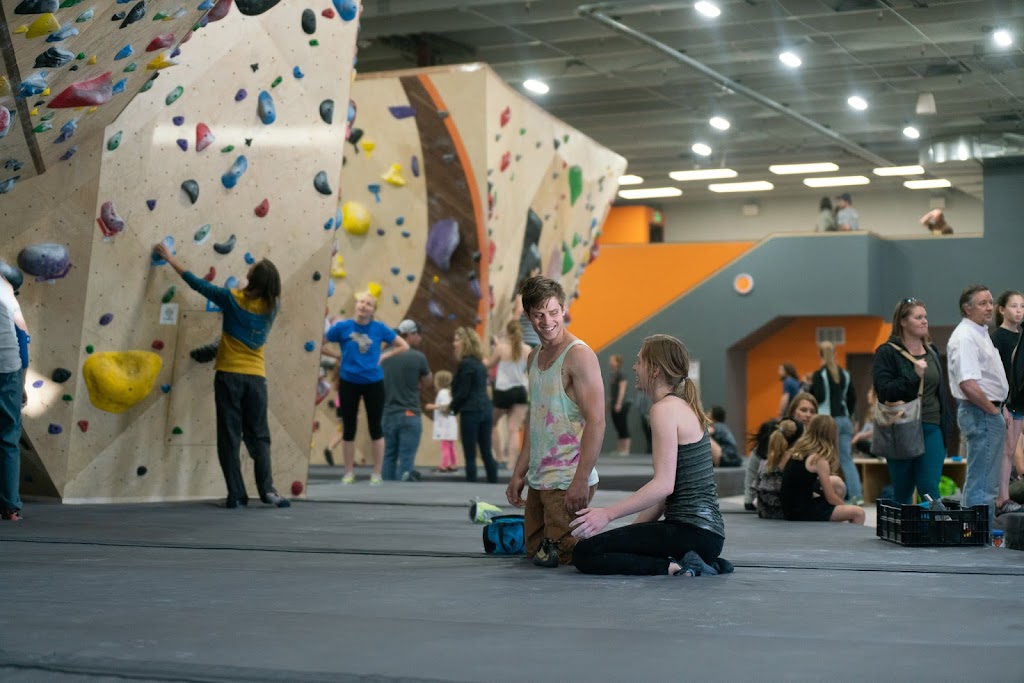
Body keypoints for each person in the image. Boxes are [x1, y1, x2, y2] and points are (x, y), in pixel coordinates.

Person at [571, 335, 732, 577]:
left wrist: (607, 514)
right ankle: (701, 561)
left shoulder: (663, 410)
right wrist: (625, 535)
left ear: (655, 370)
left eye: (639, 362)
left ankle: (675, 567)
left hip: (691, 532)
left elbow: (662, 486)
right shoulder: (681, 407)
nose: (634, 368)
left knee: (584, 553)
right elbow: (662, 498)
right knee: (608, 547)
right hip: (707, 537)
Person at [153, 242, 290, 508]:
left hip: (229, 375)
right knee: (259, 436)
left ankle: (237, 494)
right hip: (256, 378)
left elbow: (197, 284)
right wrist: (245, 286)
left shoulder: (232, 298)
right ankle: (268, 490)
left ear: (251, 280)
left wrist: (169, 258)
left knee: (230, 436)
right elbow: (253, 297)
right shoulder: (273, 307)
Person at [506, 275, 604, 567]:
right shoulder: (533, 358)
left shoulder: (580, 356)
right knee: (534, 554)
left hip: (567, 478)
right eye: (538, 315)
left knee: (565, 559)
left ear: (563, 310)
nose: (547, 321)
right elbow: (537, 425)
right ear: (528, 317)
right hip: (539, 478)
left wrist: (581, 480)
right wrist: (518, 474)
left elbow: (597, 422)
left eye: (552, 312)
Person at [871, 298, 954, 504]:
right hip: (901, 428)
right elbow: (884, 391)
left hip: (932, 426)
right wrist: (914, 375)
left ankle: (933, 534)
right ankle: (905, 533)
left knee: (928, 486)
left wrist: (947, 428)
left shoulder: (932, 351)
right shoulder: (887, 352)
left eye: (925, 317)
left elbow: (940, 393)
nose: (925, 321)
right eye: (918, 317)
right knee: (903, 489)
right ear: (903, 321)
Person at [325, 291, 409, 485]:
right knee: (348, 429)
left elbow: (403, 345)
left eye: (368, 304)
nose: (363, 306)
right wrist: (337, 357)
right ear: (356, 305)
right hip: (349, 381)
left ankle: (377, 473)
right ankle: (348, 472)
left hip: (373, 382)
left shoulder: (379, 328)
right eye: (361, 302)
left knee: (375, 428)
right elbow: (322, 342)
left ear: (372, 311)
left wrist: (384, 356)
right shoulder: (343, 327)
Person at [947, 284, 1009, 526]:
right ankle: (976, 533)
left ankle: (975, 530)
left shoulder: (980, 333)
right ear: (967, 308)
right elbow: (968, 383)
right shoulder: (965, 337)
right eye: (982, 303)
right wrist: (993, 410)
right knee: (983, 479)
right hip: (981, 411)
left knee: (985, 477)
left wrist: (999, 407)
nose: (989, 308)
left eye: (991, 302)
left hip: (988, 410)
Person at [779, 415, 866, 524]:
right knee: (858, 513)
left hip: (789, 508)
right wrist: (846, 509)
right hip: (802, 511)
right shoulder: (819, 459)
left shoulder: (797, 452)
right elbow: (830, 497)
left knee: (838, 485)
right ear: (832, 435)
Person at [743, 391, 818, 511]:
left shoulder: (816, 439)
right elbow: (753, 466)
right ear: (793, 412)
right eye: (803, 410)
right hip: (774, 495)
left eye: (812, 411)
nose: (808, 415)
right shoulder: (776, 434)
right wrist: (748, 499)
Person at [810, 341, 862, 504]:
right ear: (834, 354)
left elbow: (820, 397)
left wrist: (809, 388)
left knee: (824, 458)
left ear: (820, 355)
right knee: (846, 459)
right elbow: (852, 398)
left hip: (828, 421)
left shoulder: (820, 375)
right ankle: (856, 495)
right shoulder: (844, 374)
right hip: (845, 419)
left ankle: (826, 494)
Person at [381, 319, 432, 482]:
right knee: (407, 459)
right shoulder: (418, 357)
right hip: (410, 413)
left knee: (388, 456)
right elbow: (428, 382)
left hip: (387, 414)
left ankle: (385, 497)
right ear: (409, 334)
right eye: (418, 335)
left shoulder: (384, 357)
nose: (420, 339)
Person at [990, 290, 1024, 515]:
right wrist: (1002, 404)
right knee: (1008, 450)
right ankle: (1001, 497)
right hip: (1008, 402)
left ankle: (1006, 495)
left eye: (1022, 306)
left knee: (1012, 449)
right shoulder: (998, 338)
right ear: (1001, 310)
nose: (1019, 311)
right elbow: (997, 374)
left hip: (1019, 400)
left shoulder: (1020, 336)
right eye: (1014, 306)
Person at [451, 327, 498, 483]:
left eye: (457, 340)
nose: (454, 343)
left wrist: (451, 408)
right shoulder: (480, 364)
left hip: (471, 411)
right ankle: (494, 483)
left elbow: (463, 391)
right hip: (485, 409)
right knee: (486, 452)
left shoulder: (466, 364)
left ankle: (471, 485)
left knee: (470, 454)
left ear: (465, 342)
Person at [0, 271, 28, 521]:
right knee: (8, 438)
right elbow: (22, 337)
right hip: (9, 368)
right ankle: (10, 508)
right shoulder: (7, 293)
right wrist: (23, 381)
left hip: (9, 368)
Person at [486, 319, 530, 468]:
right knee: (513, 430)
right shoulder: (527, 349)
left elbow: (489, 364)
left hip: (503, 391)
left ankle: (498, 458)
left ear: (509, 332)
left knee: (491, 423)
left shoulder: (501, 349)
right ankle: (511, 464)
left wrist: (485, 358)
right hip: (520, 392)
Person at [756, 417, 802, 519]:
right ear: (798, 439)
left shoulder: (769, 455)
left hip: (763, 509)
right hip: (781, 510)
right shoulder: (792, 456)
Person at [426, 371, 458, 472]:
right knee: (450, 445)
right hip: (450, 422)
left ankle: (444, 464)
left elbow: (445, 406)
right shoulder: (450, 392)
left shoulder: (442, 393)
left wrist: (432, 406)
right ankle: (453, 464)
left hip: (445, 423)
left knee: (444, 445)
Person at [608, 354, 632, 455]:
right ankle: (620, 449)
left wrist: (619, 403)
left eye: (612, 360)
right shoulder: (613, 374)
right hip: (614, 403)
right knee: (618, 426)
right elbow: (611, 392)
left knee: (623, 425)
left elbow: (622, 390)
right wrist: (608, 405)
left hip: (622, 404)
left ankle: (625, 450)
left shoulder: (621, 374)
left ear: (618, 362)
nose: (610, 362)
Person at [850, 388, 875, 455]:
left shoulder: (880, 411)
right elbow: (865, 430)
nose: (868, 395)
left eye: (870, 393)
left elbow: (876, 431)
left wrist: (859, 436)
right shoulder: (870, 411)